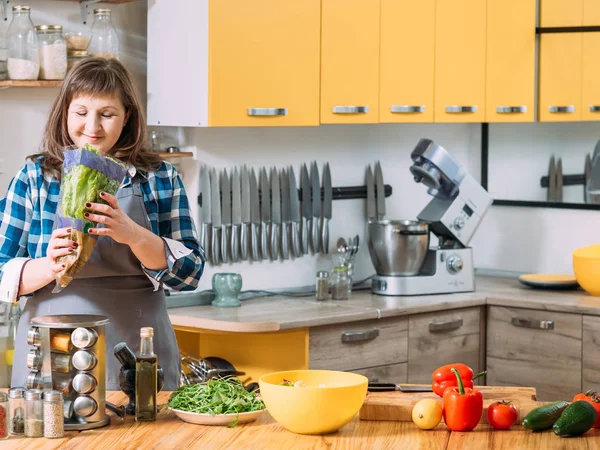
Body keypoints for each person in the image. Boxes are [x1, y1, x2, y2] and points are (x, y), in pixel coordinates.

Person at [0, 57, 205, 390]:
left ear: (127, 118)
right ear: (64, 114)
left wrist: (136, 237)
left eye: (107, 114)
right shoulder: (35, 178)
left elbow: (190, 274)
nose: (92, 127)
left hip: (141, 350)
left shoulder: (160, 178)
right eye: (81, 113)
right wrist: (50, 265)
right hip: (55, 355)